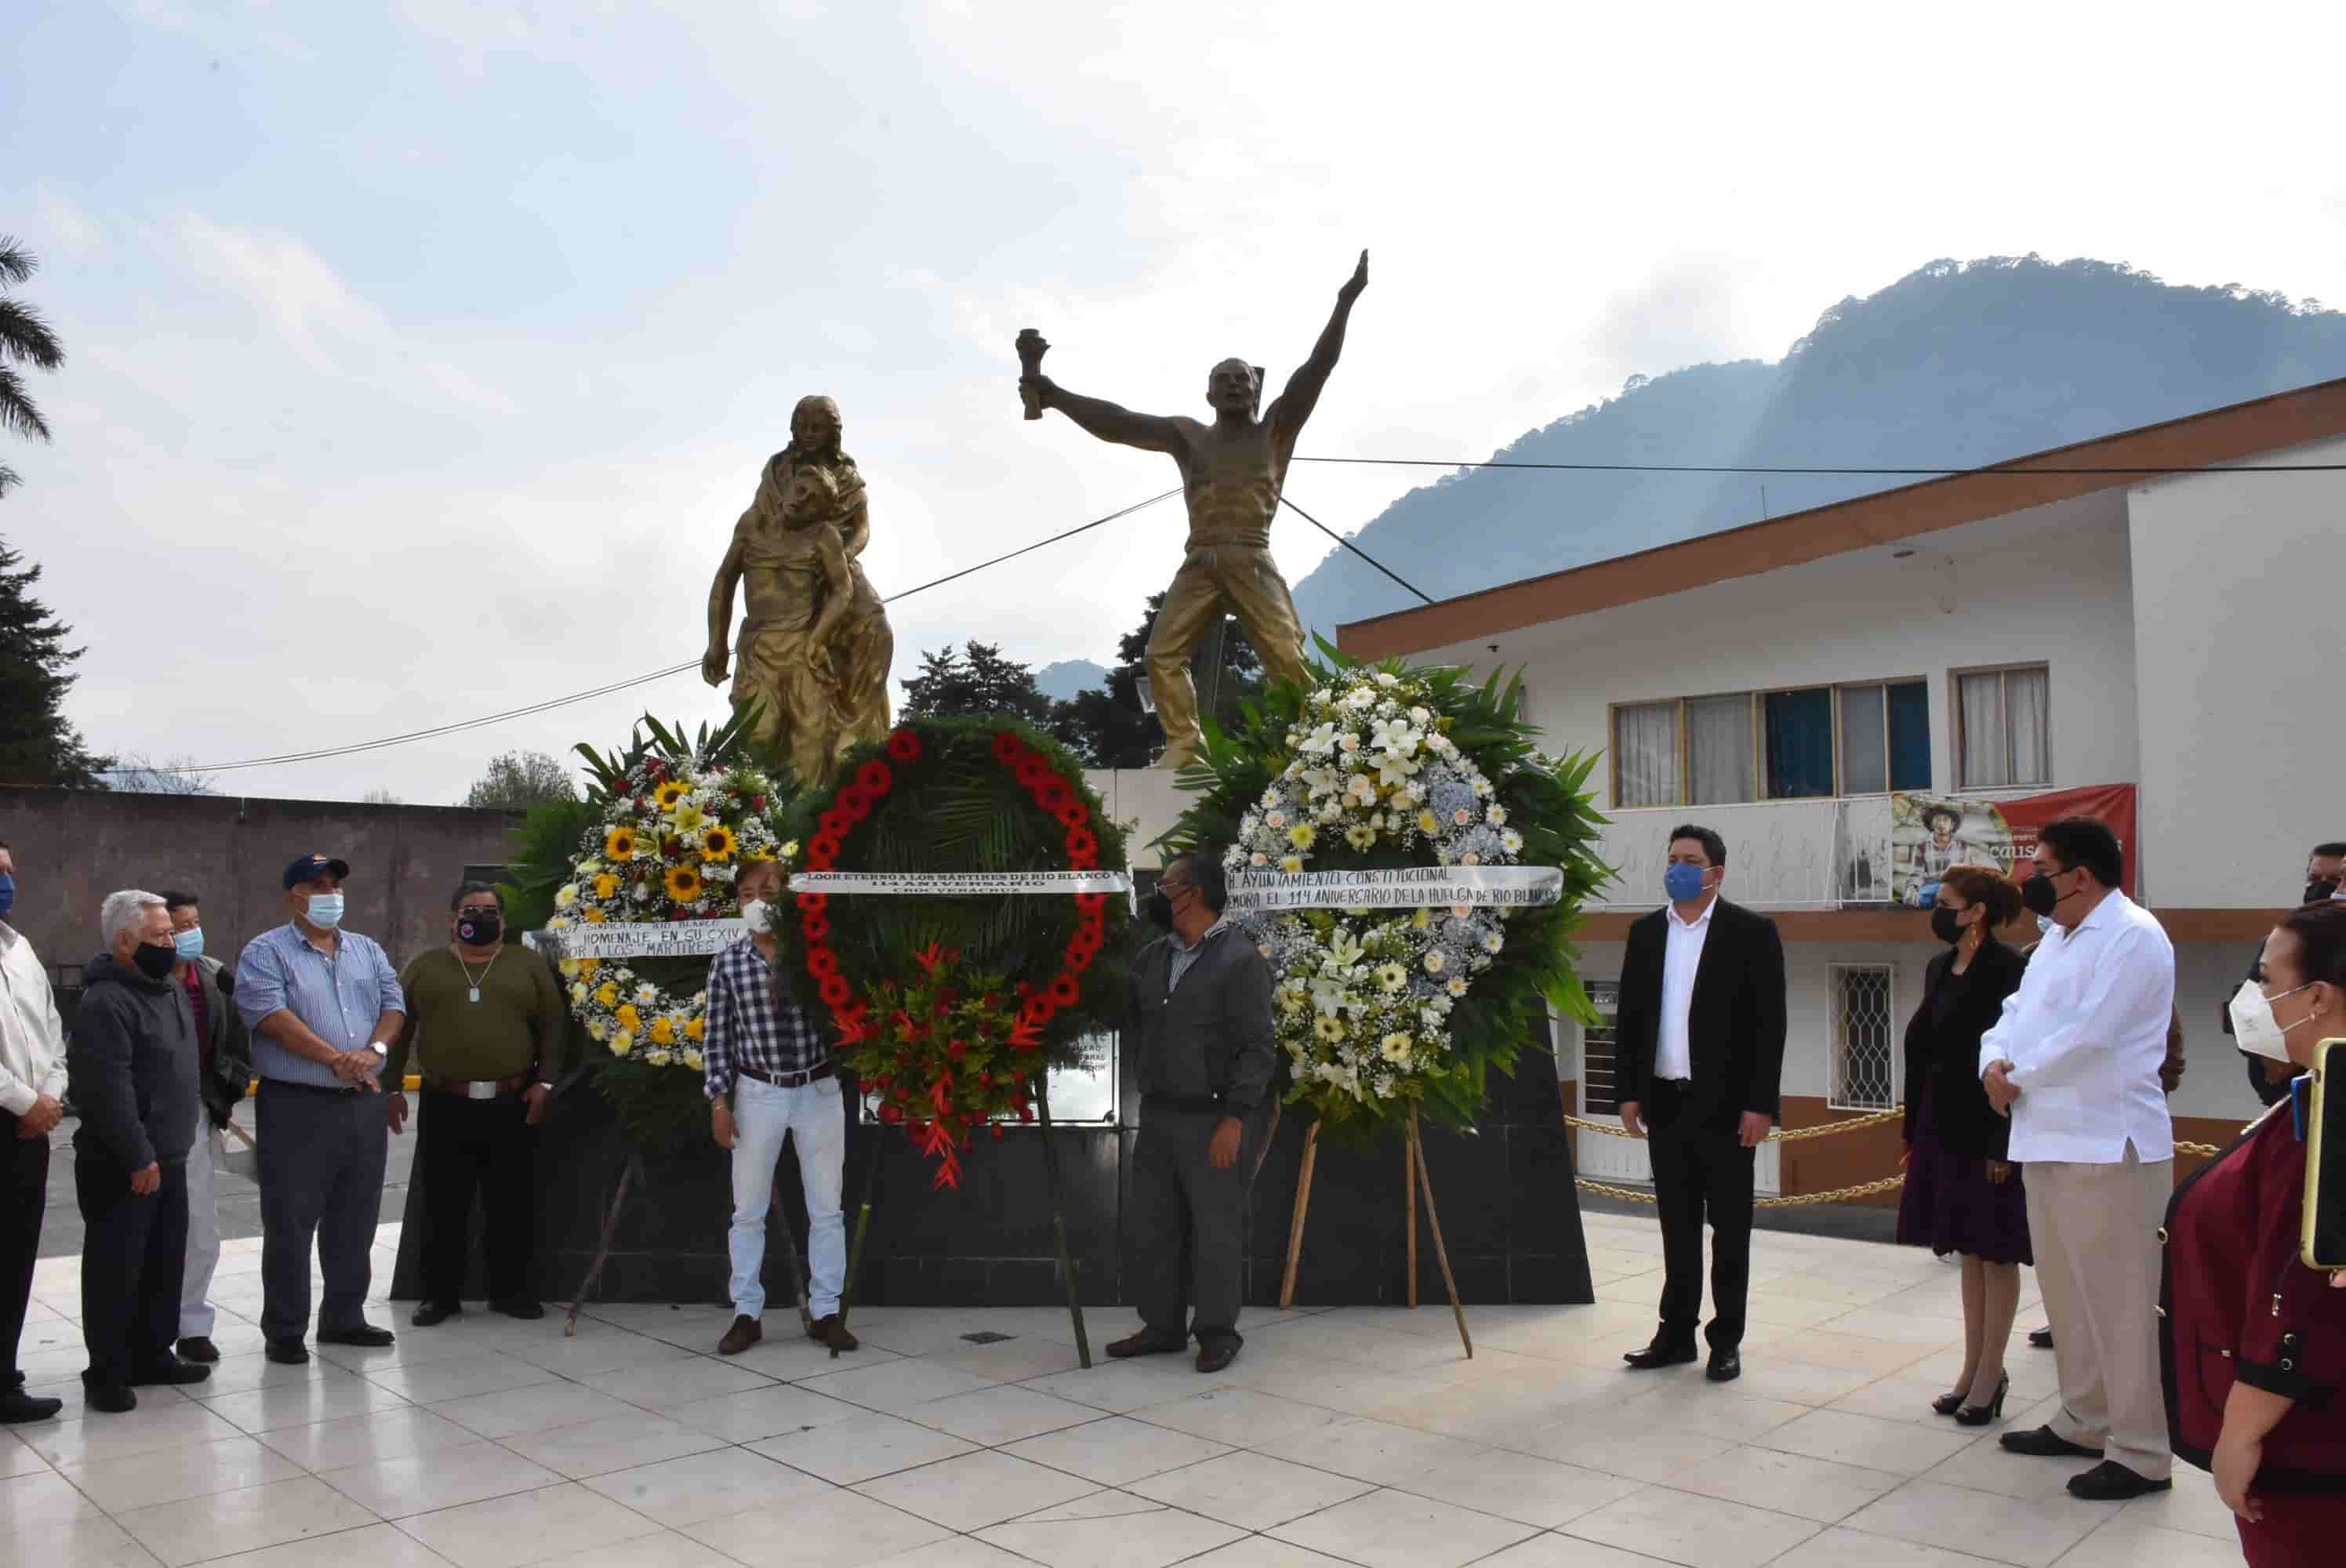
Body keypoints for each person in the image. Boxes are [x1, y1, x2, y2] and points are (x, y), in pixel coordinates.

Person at [1021, 251, 1367, 767]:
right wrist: (1057, 396)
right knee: (1161, 656)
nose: (1232, 385)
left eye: (1241, 379)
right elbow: (1120, 422)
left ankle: (1320, 738)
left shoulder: (1276, 430)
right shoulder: (1187, 436)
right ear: (1207, 394)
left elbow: (1317, 370)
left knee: (1285, 658)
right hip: (1200, 559)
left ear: (1257, 390)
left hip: (1251, 556)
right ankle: (1185, 746)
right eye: (1222, 380)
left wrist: (1343, 304)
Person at [1980, 816, 2176, 1500]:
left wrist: (2016, 1076)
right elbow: (2010, 1014)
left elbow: (2095, 1034)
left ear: (2082, 876)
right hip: (2045, 1137)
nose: (2030, 882)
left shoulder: (2132, 935)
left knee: (2122, 1306)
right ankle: (2085, 1419)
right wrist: (1991, 1064)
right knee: (2066, 1297)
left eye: (2041, 869)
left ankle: (2143, 1451)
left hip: (2108, 1145)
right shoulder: (2056, 938)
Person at [2162, 899, 2346, 1565]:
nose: (2255, 997)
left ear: (2318, 996)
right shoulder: (2311, 1092)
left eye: (2267, 980)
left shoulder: (2330, 1125)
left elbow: (2306, 1298)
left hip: (2310, 1449)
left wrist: (2240, 1436)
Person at [1614, 825, 1788, 1385]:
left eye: (1690, 859)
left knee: (1730, 1229)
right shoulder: (1645, 933)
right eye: (1672, 858)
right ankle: (1675, 1334)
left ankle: (1726, 1340)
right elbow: (1631, 1022)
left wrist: (1761, 1104)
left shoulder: (1751, 933)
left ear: (1716, 872)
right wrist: (1628, 1092)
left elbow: (1769, 1026)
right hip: (1666, 1100)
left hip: (1728, 1107)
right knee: (1677, 1226)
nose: (1678, 868)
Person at [1107, 851, 1276, 1374]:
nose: (1159, 895)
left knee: (1215, 1229)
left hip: (1212, 1119)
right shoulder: (1154, 956)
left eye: (1167, 885)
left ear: (1193, 893)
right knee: (1155, 1227)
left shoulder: (1240, 960)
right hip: (1158, 1114)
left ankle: (1218, 1333)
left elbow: (1257, 1047)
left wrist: (1235, 1118)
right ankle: (1162, 1327)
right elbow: (1126, 1011)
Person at [236, 854, 405, 1365]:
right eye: (316, 885)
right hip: (297, 1105)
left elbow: (393, 1005)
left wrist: (371, 1054)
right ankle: (285, 1328)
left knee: (355, 1216)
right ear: (293, 896)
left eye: (334, 884)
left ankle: (344, 1317)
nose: (330, 893)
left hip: (361, 1103)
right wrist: (335, 1059)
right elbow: (270, 1016)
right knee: (290, 1220)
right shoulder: (265, 953)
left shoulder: (367, 951)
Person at [386, 882, 567, 1327]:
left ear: (503, 921)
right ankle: (439, 1296)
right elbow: (397, 1026)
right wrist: (391, 1088)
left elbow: (553, 1025)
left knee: (511, 1202)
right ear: (453, 919)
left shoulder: (526, 964)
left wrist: (545, 1082)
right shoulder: (425, 966)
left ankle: (512, 1293)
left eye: (491, 911)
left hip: (512, 1101)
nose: (481, 917)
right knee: (443, 1204)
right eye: (472, 910)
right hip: (445, 1100)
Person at [703, 857, 858, 1356]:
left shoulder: (819, 957)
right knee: (747, 1211)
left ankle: (826, 1311)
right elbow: (716, 1040)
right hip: (757, 1095)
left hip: (819, 1091)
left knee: (827, 1209)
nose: (756, 902)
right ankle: (746, 1313)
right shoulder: (727, 964)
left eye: (767, 893)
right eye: (747, 894)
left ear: (788, 897)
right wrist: (719, 1102)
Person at [1898, 866, 2032, 1422]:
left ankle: (1990, 1376)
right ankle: (1974, 1369)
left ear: (1976, 911)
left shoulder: (2010, 968)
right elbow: (1925, 1051)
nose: (1935, 908)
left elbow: (2012, 1056)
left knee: (1995, 1253)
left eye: (1945, 901)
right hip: (1941, 1125)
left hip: (1988, 1132)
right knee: (1968, 1254)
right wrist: (1912, 1133)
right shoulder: (1938, 967)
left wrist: (2003, 1144)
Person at [69, 891, 209, 1411]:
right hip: (125, 1161)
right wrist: (137, 1155)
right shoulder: (105, 1001)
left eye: (171, 933)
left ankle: (153, 1353)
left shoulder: (166, 990)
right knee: (116, 1268)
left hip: (172, 1153)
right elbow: (106, 1090)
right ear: (125, 941)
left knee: (163, 1264)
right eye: (159, 935)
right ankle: (106, 1370)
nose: (170, 943)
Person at [160, 890, 251, 1364]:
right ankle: (146, 1327)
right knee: (152, 1227)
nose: (191, 933)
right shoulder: (144, 979)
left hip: (199, 1113)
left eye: (195, 922)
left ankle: (191, 1325)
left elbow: (237, 1038)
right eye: (179, 926)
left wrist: (229, 1085)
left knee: (200, 1228)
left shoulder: (215, 977)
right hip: (152, 1117)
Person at [0, 840, 69, 1425]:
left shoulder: (20, 950)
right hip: (10, 1114)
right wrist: (24, 1099)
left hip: (29, 1130)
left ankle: (4, 1378)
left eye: (9, 871)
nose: (7, 881)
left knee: (15, 1254)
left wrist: (50, 1094)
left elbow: (50, 1027)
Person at [2223, 842, 2344, 1109]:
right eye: (2314, 879)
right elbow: (2245, 1008)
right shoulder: (2282, 943)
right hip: (2285, 1098)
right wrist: (2278, 1059)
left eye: (2336, 880)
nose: (2329, 889)